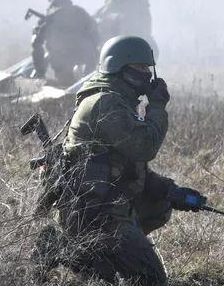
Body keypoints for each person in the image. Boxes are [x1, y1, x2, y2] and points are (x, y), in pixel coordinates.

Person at [31, 36, 207, 285]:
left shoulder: (118, 101)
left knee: (161, 203)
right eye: (141, 68)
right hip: (95, 213)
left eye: (148, 68)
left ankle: (87, 254)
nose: (148, 74)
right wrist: (157, 106)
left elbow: (126, 169)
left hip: (106, 204)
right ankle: (67, 247)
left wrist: (170, 190)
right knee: (150, 279)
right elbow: (145, 147)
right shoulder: (106, 103)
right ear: (120, 68)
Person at [31, 0, 100, 86]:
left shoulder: (50, 17)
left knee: (65, 84)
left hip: (61, 60)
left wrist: (40, 73)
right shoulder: (80, 11)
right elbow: (96, 37)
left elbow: (36, 43)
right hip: (85, 56)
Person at [93, 0, 159, 59]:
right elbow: (108, 13)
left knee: (152, 53)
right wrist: (123, 20)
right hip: (118, 34)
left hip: (136, 35)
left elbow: (145, 20)